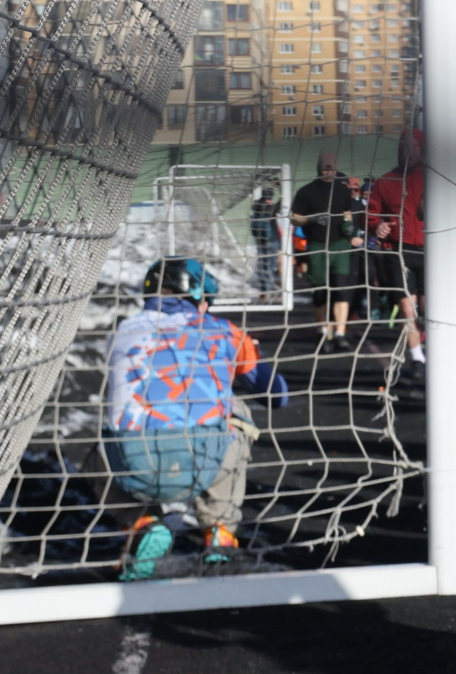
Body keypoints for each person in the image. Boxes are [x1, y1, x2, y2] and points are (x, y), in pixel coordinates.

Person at [103, 258, 287, 580]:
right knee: (236, 411)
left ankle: (142, 522)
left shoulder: (122, 330)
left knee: (109, 431)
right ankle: (219, 530)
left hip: (137, 468)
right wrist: (245, 355)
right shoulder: (224, 330)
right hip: (204, 460)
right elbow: (277, 396)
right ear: (202, 300)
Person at [290, 153, 364, 347]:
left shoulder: (342, 191)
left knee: (341, 289)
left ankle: (340, 332)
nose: (328, 173)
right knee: (321, 292)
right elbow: (294, 217)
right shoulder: (307, 192)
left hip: (340, 245)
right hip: (317, 244)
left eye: (331, 169)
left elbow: (347, 213)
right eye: (325, 169)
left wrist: (349, 226)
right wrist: (312, 219)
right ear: (319, 169)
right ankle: (324, 332)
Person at [366, 137, 428, 366]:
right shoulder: (385, 181)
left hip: (430, 251)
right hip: (399, 252)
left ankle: (428, 345)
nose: (408, 154)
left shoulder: (431, 177)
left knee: (427, 308)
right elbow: (370, 214)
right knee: (407, 307)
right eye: (404, 149)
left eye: (413, 149)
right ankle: (417, 357)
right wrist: (376, 225)